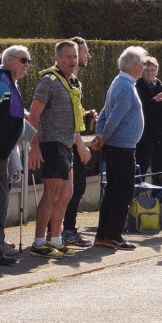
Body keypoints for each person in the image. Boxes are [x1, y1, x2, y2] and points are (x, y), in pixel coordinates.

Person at [28, 40, 91, 258]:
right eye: (67, 57)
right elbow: (34, 115)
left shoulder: (72, 82)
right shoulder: (49, 81)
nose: (73, 61)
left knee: (66, 195)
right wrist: (34, 146)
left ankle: (55, 239)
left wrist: (79, 143)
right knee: (51, 194)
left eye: (75, 56)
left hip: (66, 144)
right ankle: (38, 242)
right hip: (51, 144)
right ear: (57, 59)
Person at [89, 46, 146, 250]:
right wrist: (102, 137)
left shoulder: (119, 82)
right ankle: (113, 236)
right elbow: (113, 117)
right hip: (121, 147)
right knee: (123, 192)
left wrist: (100, 135)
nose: (144, 67)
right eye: (143, 63)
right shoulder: (125, 86)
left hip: (116, 145)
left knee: (113, 191)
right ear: (134, 65)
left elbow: (104, 113)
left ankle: (103, 235)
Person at [59, 36, 97, 248]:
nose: (87, 56)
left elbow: (74, 113)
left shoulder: (75, 81)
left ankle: (64, 231)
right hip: (62, 144)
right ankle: (63, 232)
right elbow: (64, 117)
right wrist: (80, 144)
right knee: (68, 189)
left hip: (71, 142)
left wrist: (86, 114)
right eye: (84, 52)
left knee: (76, 187)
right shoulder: (60, 80)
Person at [135, 56, 162, 222]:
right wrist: (154, 101)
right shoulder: (137, 87)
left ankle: (159, 207)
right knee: (140, 173)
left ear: (157, 71)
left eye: (152, 70)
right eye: (146, 70)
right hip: (143, 137)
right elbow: (139, 111)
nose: (149, 73)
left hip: (160, 137)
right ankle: (136, 206)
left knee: (160, 173)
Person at [0, 45, 31, 265]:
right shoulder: (3, 81)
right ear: (9, 60)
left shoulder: (10, 81)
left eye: (28, 61)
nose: (27, 65)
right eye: (23, 60)